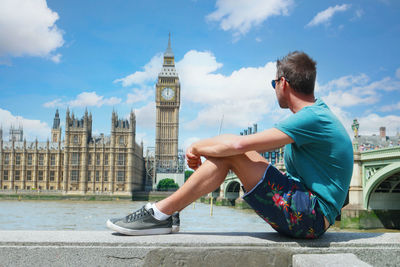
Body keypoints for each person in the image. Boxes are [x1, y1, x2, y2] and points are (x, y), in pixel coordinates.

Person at [106, 51, 353, 238]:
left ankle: (161, 214)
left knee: (232, 152)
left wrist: (197, 147)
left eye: (273, 84)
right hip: (308, 210)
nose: (274, 89)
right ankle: (166, 215)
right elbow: (243, 147)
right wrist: (201, 148)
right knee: (239, 151)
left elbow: (236, 146)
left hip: (310, 217)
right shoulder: (316, 115)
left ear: (283, 83)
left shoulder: (311, 118)